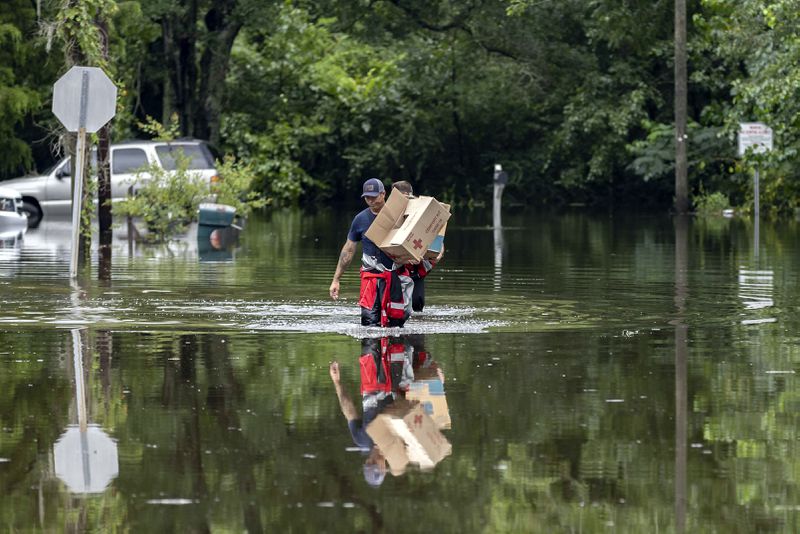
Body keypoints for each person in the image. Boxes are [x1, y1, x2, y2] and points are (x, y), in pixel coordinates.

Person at [330, 178, 412, 326]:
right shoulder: (360, 219)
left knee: (397, 322)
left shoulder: (400, 215)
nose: (370, 200)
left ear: (383, 194)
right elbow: (348, 250)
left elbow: (417, 238)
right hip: (371, 279)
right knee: (369, 324)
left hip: (396, 277)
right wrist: (336, 279)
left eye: (374, 196)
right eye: (367, 197)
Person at [390, 181, 444, 312]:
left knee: (417, 304)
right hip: (395, 267)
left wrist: (438, 254)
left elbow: (437, 238)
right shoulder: (388, 215)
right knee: (394, 306)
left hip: (417, 268)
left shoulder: (421, 213)